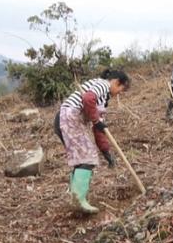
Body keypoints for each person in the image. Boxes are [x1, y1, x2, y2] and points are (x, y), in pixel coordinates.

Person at [56, 69, 130, 213]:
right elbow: (88, 99)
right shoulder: (102, 85)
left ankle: (75, 200)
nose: (120, 93)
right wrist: (96, 121)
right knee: (87, 158)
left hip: (69, 118)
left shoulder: (103, 100)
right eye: (121, 89)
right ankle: (78, 200)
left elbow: (99, 129)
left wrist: (106, 151)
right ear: (116, 82)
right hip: (71, 116)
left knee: (82, 159)